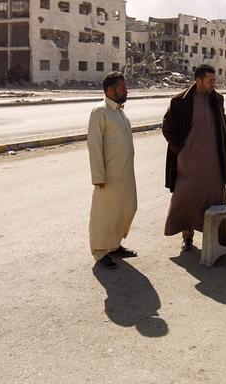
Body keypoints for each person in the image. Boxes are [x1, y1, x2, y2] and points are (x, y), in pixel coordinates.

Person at [162, 64, 226, 251]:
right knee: (187, 197)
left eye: (214, 79)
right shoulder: (180, 101)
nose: (213, 83)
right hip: (189, 161)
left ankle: (219, 237)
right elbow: (168, 128)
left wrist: (225, 136)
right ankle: (187, 237)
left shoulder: (217, 99)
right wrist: (180, 149)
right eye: (210, 80)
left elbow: (223, 122)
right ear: (198, 80)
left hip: (214, 159)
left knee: (215, 196)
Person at [88, 72, 138, 269]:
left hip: (125, 174)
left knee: (126, 208)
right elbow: (94, 146)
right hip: (107, 176)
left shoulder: (119, 111)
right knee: (104, 214)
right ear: (110, 90)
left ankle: (114, 245)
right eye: (122, 87)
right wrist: (98, 176)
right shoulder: (99, 112)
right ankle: (100, 252)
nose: (126, 90)